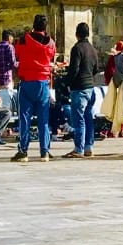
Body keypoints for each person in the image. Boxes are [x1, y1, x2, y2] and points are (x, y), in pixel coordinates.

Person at [12, 13, 57, 162]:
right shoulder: (50, 43)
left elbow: (17, 54)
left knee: (24, 118)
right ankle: (44, 151)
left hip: (27, 82)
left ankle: (23, 151)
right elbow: (51, 56)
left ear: (33, 25)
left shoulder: (23, 40)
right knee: (44, 119)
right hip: (43, 82)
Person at [65, 22, 100, 159]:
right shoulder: (92, 49)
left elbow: (74, 69)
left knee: (78, 120)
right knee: (88, 119)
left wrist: (67, 82)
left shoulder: (77, 48)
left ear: (76, 34)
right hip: (90, 88)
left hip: (79, 88)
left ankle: (78, 148)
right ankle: (88, 147)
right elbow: (96, 68)